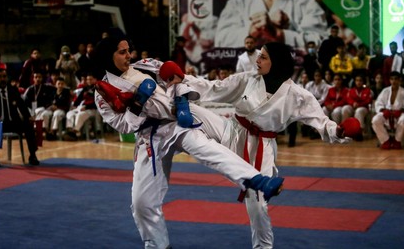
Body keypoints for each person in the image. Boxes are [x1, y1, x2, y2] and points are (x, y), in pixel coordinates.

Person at [94, 38, 285, 249]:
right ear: (108, 56)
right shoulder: (102, 93)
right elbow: (123, 125)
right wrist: (137, 103)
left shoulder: (145, 65)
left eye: (128, 50)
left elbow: (178, 79)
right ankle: (158, 246)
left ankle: (258, 180)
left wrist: (181, 101)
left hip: (179, 120)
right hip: (150, 135)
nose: (129, 56)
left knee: (209, 151)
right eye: (122, 52)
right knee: (142, 203)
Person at [161, 42, 353, 249]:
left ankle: (263, 247)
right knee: (190, 112)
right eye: (259, 55)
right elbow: (215, 88)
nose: (257, 60)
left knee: (257, 204)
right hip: (232, 131)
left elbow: (321, 121)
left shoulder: (297, 95)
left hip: (263, 147)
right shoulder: (249, 79)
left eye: (263, 57)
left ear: (276, 62)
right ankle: (167, 145)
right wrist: (183, 78)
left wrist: (337, 131)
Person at [215, 0, 327, 49]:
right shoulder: (238, 3)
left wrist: (279, 33)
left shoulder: (306, 2)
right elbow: (221, 42)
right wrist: (252, 31)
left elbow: (322, 45)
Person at [0, 68, 40, 167]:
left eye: (4, 76)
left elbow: (21, 105)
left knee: (28, 125)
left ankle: (33, 155)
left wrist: (28, 117)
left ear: (7, 78)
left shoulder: (13, 90)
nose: (2, 79)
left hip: (13, 122)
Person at [372, 71, 404, 149]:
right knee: (375, 120)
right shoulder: (385, 91)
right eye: (392, 79)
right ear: (389, 80)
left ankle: (397, 141)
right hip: (387, 114)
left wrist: (401, 111)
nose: (394, 81)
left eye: (396, 79)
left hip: (399, 114)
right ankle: (385, 140)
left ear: (399, 80)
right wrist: (383, 110)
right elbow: (378, 103)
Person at [63, 73, 97, 140]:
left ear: (95, 80)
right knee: (70, 113)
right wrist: (74, 105)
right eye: (87, 79)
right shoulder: (85, 88)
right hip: (81, 108)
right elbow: (79, 99)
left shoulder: (98, 89)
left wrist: (86, 107)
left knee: (80, 115)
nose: (89, 81)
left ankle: (75, 132)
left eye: (90, 79)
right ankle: (69, 131)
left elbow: (97, 103)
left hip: (92, 109)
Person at [23, 72, 56, 138]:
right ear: (33, 79)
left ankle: (39, 131)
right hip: (32, 108)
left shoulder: (47, 87)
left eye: (39, 77)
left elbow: (57, 91)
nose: (38, 79)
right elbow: (24, 100)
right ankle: (31, 131)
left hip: (43, 108)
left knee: (40, 111)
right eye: (36, 77)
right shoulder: (29, 89)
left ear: (42, 78)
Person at [342, 74, 373, 139]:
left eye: (360, 81)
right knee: (345, 109)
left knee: (359, 111)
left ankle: (359, 132)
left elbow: (368, 100)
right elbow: (348, 99)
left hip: (364, 108)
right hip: (353, 107)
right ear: (355, 82)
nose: (358, 82)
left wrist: (359, 104)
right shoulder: (351, 90)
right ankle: (345, 130)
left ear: (363, 82)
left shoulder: (368, 90)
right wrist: (353, 103)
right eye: (357, 80)